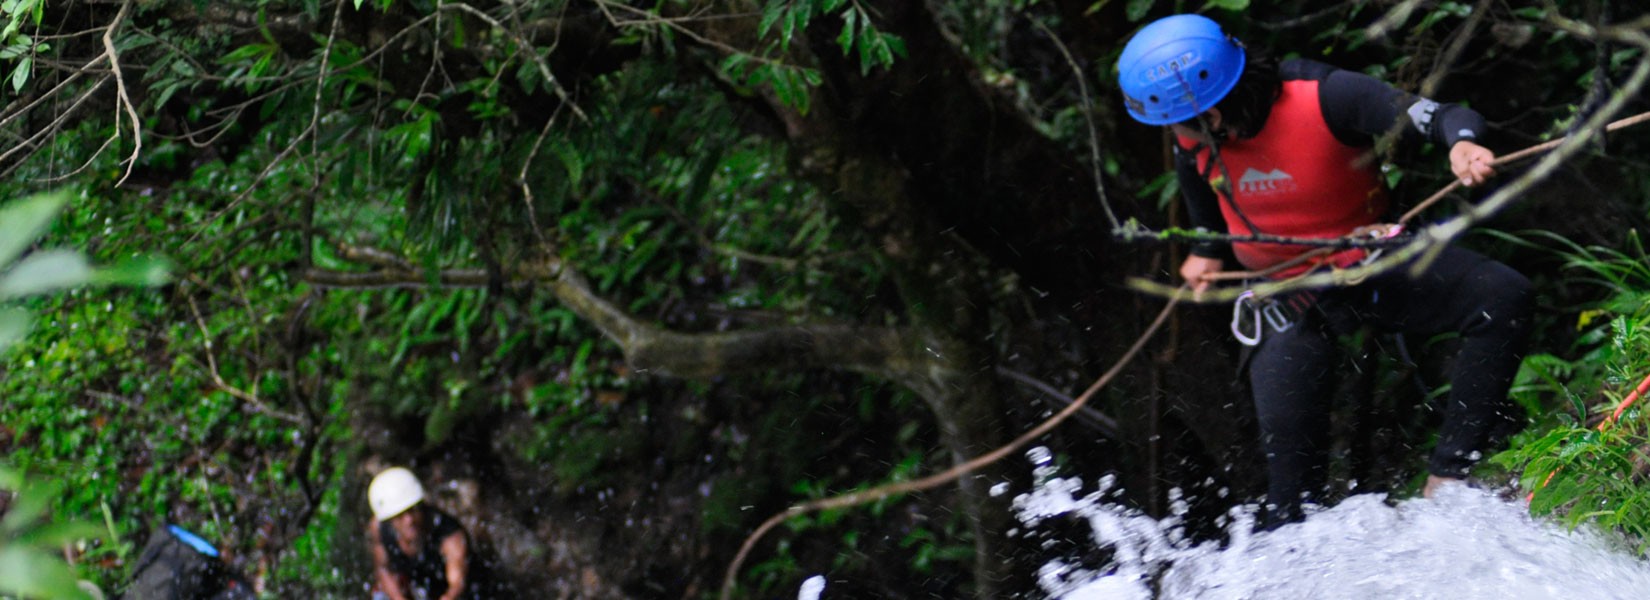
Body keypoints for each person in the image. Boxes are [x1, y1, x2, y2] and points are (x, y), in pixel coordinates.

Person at [1116, 14, 1534, 528]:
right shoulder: (1193, 138)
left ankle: (1449, 479)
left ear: (1218, 110)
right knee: (1290, 500)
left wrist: (1462, 142)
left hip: (1373, 261)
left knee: (1502, 296)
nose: (1177, 136)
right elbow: (1201, 186)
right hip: (1285, 294)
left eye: (1183, 124)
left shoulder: (1324, 95)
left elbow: (1442, 116)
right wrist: (1206, 248)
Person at [367, 466, 490, 600]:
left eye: (413, 510)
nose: (409, 520)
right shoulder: (379, 528)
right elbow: (384, 569)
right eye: (400, 516)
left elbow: (457, 584)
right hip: (412, 584)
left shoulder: (449, 534)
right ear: (390, 519)